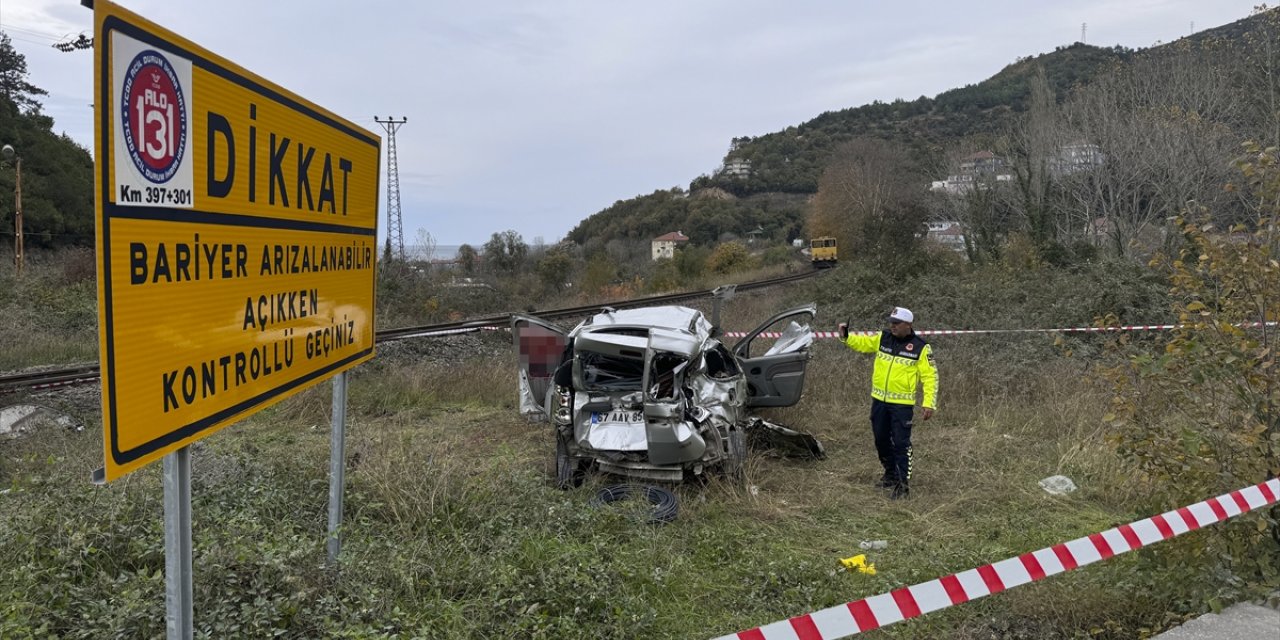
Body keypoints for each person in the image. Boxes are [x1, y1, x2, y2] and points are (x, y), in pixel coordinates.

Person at [839, 306, 938, 499]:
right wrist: (846, 336)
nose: (892, 326)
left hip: (902, 406)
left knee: (901, 444)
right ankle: (890, 474)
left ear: (908, 325)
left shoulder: (921, 347)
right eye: (890, 323)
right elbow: (862, 343)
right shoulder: (882, 337)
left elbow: (930, 377)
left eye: (896, 323)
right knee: (881, 440)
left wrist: (929, 403)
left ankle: (902, 485)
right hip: (879, 402)